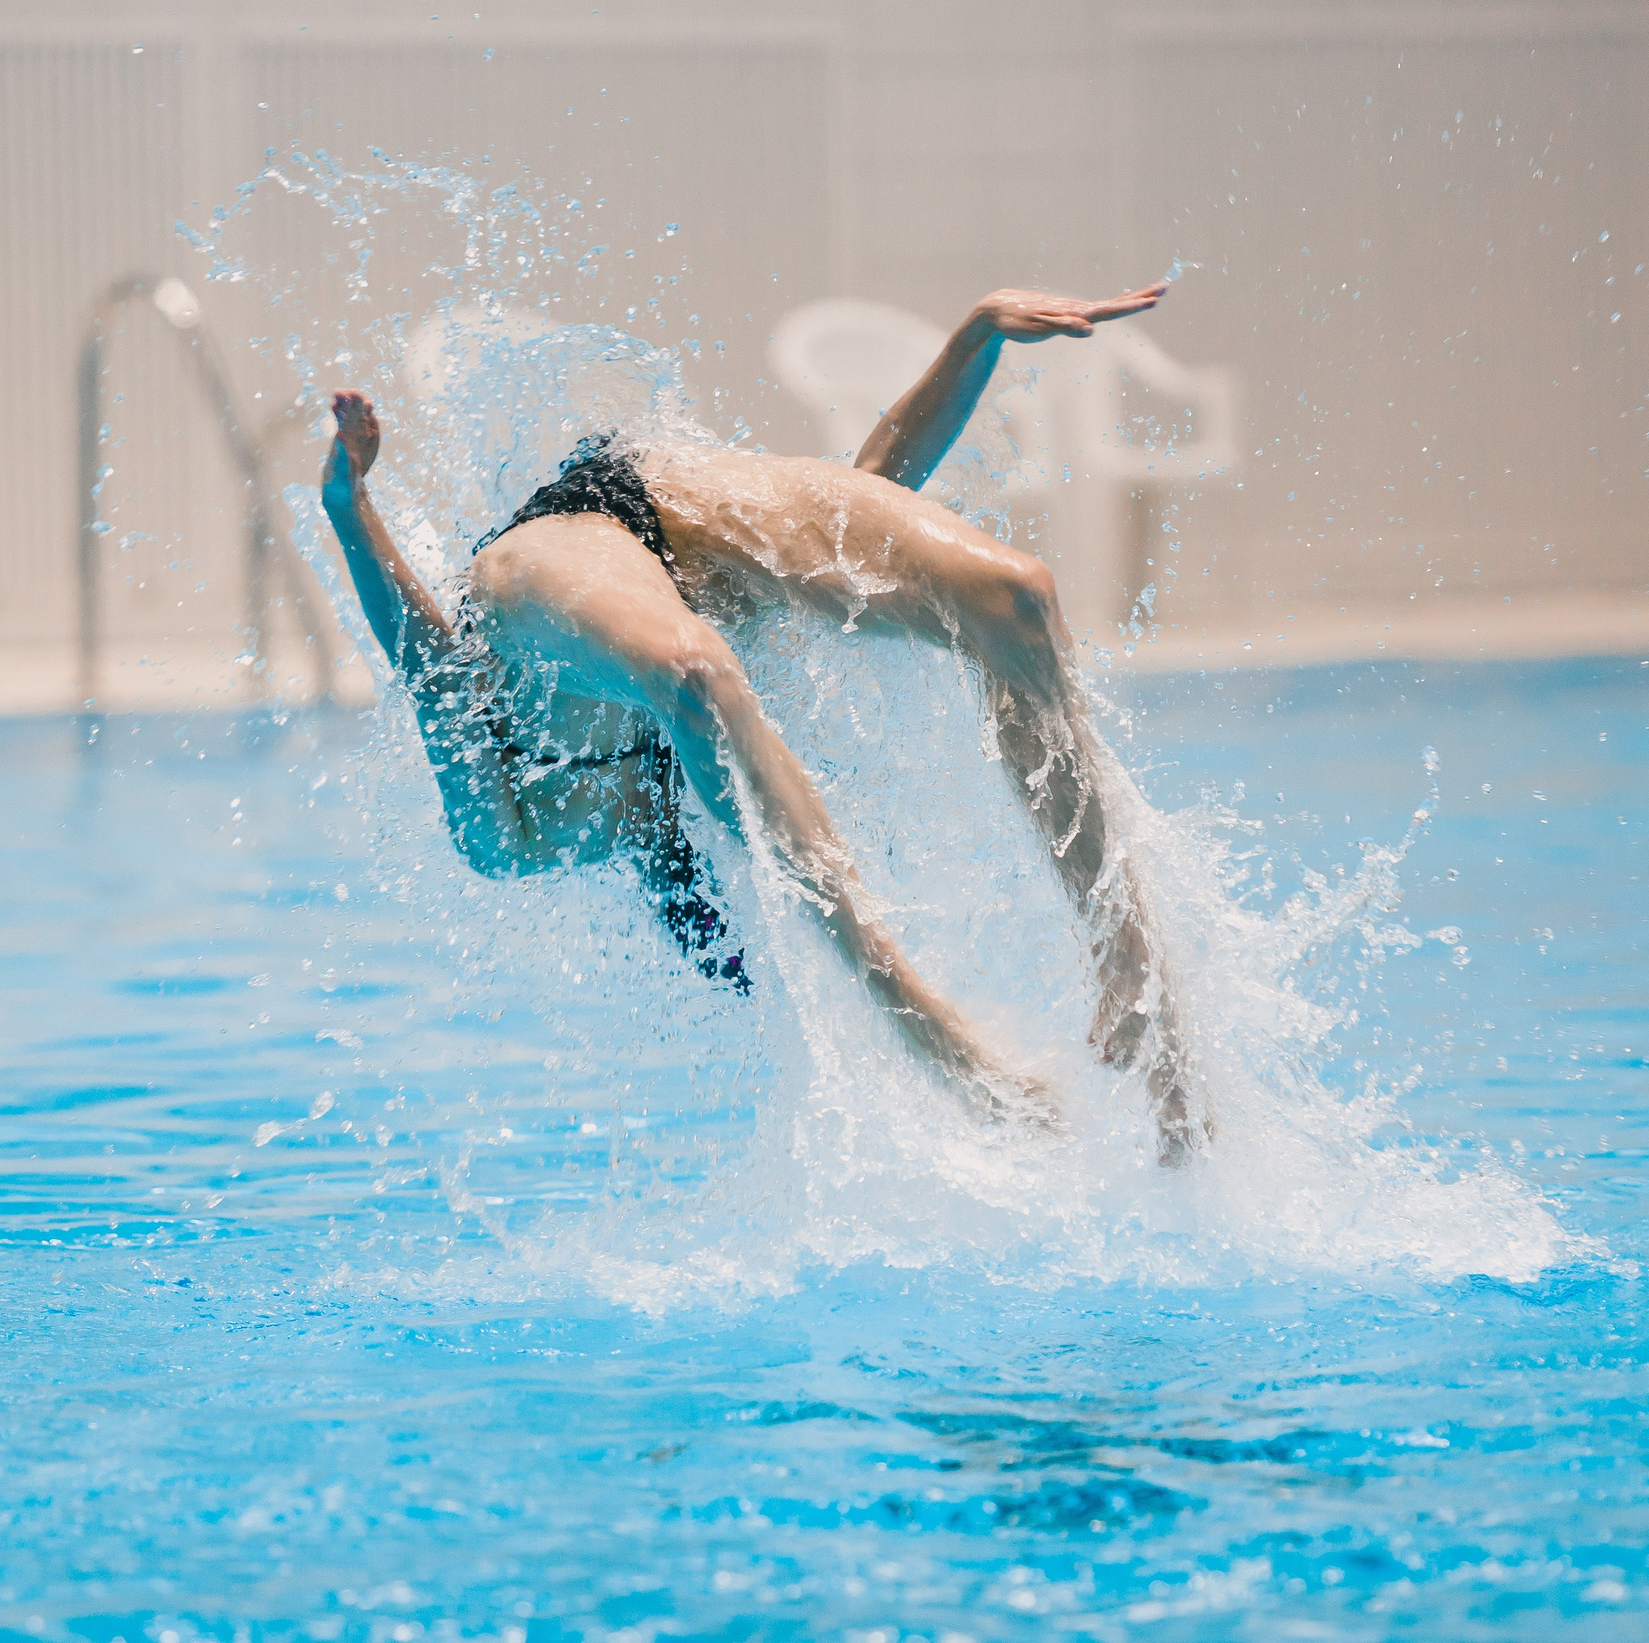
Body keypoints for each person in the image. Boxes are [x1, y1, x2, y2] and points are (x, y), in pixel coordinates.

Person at [320, 283, 1205, 1161]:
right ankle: (938, 1035)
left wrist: (350, 510)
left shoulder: (518, 828)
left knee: (1016, 601)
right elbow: (869, 491)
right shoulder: (655, 769)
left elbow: (429, 667)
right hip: (670, 596)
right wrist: (974, 343)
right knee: (702, 674)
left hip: (564, 550)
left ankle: (1123, 961)